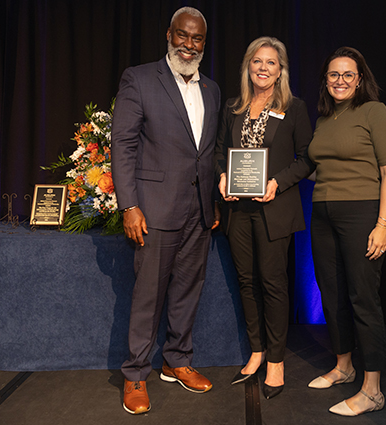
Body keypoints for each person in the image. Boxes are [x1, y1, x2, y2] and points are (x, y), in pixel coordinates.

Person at [111, 6, 221, 415]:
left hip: (198, 211)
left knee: (188, 290)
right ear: (170, 35)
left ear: (203, 44)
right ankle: (136, 373)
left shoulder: (211, 88)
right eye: (183, 36)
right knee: (148, 295)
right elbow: (122, 145)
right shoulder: (139, 79)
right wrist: (130, 205)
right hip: (154, 210)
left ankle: (177, 361)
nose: (189, 45)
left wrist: (211, 200)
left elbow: (206, 153)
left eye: (197, 39)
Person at [215, 36, 314, 400]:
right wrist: (221, 176)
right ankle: (256, 350)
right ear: (248, 66)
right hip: (238, 210)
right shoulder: (233, 107)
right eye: (257, 61)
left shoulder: (294, 108)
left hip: (275, 208)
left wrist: (277, 183)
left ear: (280, 70)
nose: (263, 68)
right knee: (246, 280)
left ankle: (276, 361)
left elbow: (307, 158)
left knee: (273, 283)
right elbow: (217, 151)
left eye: (271, 62)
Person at [306, 46, 386, 417]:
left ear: (360, 79)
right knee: (331, 293)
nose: (340, 81)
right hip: (322, 213)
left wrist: (383, 224)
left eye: (348, 75)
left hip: (362, 213)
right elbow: (317, 165)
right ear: (325, 80)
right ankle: (344, 367)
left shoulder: (374, 112)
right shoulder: (325, 117)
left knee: (363, 298)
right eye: (333, 75)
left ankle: (372, 389)